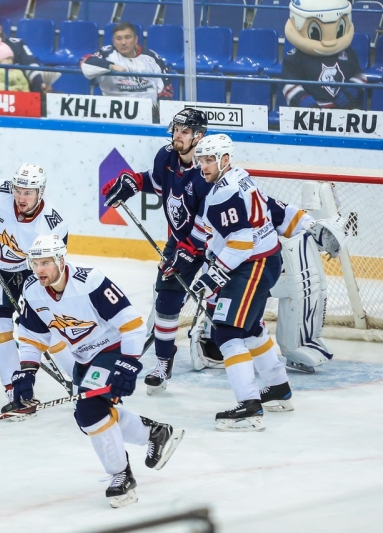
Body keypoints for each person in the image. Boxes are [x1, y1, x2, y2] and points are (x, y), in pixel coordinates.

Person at [10, 234, 184, 508]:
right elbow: (33, 336)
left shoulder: (90, 282)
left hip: (113, 349)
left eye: (45, 262)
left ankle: (121, 476)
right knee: (89, 417)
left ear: (60, 260)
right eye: (35, 263)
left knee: (89, 411)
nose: (39, 269)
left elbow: (133, 325)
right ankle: (154, 433)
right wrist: (26, 372)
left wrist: (128, 363)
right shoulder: (32, 290)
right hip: (85, 358)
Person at [101, 108, 210, 395]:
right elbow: (154, 180)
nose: (178, 135)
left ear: (199, 136)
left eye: (185, 131)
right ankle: (163, 363)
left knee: (225, 309)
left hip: (215, 246)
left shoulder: (207, 169)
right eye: (176, 129)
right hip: (181, 241)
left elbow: (211, 218)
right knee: (166, 302)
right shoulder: (166, 156)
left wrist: (190, 249)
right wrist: (133, 183)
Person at [192, 134, 293, 431]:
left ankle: (249, 407)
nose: (204, 165)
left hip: (252, 266)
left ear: (225, 159)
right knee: (249, 327)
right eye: (201, 160)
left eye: (209, 160)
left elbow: (240, 242)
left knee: (225, 331)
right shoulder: (241, 177)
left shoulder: (224, 192)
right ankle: (278, 389)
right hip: (262, 261)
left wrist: (213, 275)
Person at [190, 199, 347, 375]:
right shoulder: (204, 206)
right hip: (227, 278)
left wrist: (312, 227)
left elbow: (286, 216)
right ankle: (221, 347)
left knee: (297, 282)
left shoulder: (250, 198)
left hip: (258, 270)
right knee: (231, 330)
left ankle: (280, 365)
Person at [0, 164, 71, 413]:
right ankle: (16, 391)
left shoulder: (53, 225)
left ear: (40, 192)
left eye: (28, 193)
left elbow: (54, 268)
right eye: (18, 191)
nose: (21, 198)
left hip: (31, 274)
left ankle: (81, 379)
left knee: (44, 328)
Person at [282, 0, 366, 109]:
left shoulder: (348, 53)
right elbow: (289, 84)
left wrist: (350, 92)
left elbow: (360, 76)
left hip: (344, 109)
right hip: (309, 113)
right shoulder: (294, 58)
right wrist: (302, 99)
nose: (329, 42)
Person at [80, 22, 173, 104]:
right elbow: (85, 62)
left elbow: (166, 88)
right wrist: (111, 66)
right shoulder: (106, 53)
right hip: (115, 113)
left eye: (127, 37)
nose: (123, 42)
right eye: (118, 38)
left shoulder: (152, 57)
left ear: (136, 39)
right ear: (113, 41)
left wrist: (159, 111)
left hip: (150, 112)